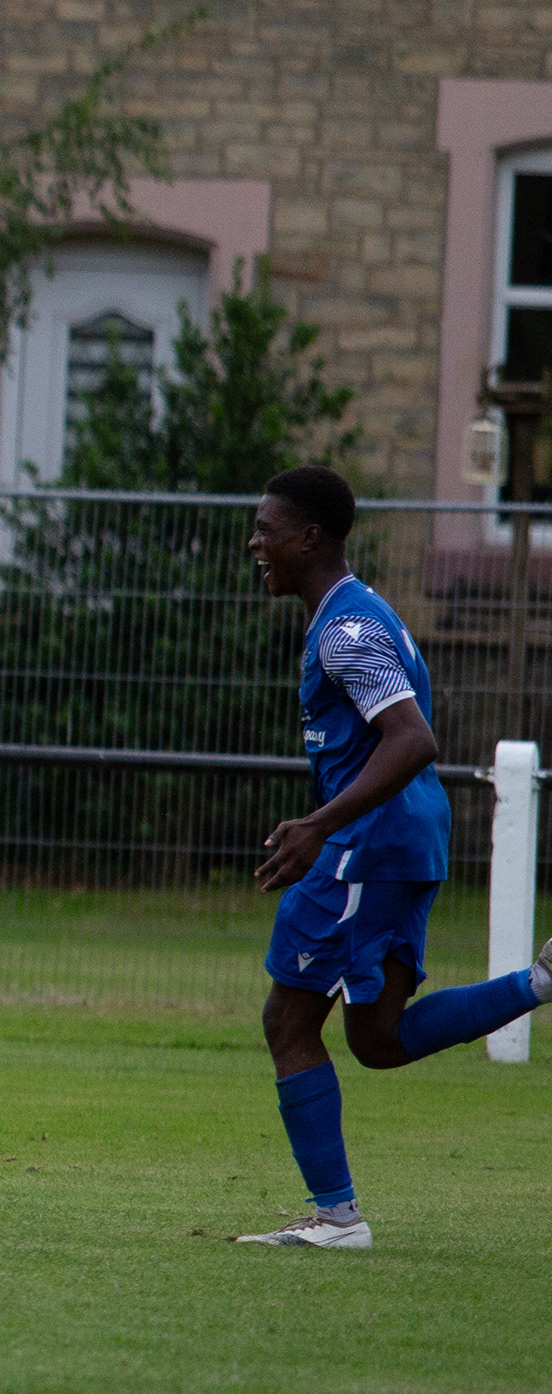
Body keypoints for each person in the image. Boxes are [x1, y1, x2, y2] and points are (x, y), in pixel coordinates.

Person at [232, 466, 549, 1249]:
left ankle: (337, 1217)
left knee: (287, 1020)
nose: (255, 544)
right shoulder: (359, 614)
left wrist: (319, 825)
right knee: (376, 1038)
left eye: (267, 530)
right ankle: (543, 979)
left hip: (365, 847)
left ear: (309, 538)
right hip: (405, 840)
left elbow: (412, 739)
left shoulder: (345, 632)